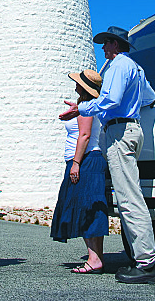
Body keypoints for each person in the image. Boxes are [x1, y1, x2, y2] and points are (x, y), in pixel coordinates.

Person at [59, 26, 155, 285]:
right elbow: (150, 97)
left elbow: (111, 100)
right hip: (132, 130)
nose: (103, 48)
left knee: (129, 199)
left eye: (106, 43)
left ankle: (147, 263)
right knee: (132, 195)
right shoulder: (137, 69)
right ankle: (144, 258)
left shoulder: (117, 66)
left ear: (115, 45)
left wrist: (81, 107)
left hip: (119, 131)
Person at [51, 69, 109, 274]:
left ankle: (94, 259)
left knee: (86, 208)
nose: (75, 85)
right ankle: (96, 259)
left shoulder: (86, 107)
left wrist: (76, 163)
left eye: (78, 83)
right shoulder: (87, 107)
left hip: (86, 160)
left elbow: (84, 136)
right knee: (91, 207)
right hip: (90, 159)